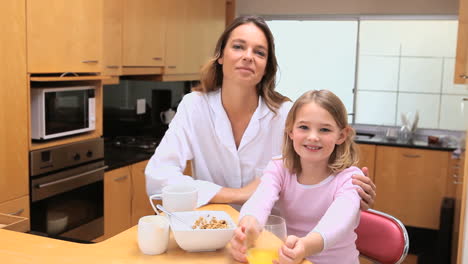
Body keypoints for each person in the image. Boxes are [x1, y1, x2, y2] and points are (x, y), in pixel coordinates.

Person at [144, 15, 376, 209]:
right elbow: (157, 177)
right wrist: (237, 194)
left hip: (271, 237)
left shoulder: (285, 115)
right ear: (221, 57)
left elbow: (317, 177)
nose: (248, 56)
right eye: (238, 46)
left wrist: (349, 192)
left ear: (266, 67)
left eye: (259, 52)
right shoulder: (194, 106)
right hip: (210, 231)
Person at [230, 90, 362, 264]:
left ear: (341, 135)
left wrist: (305, 246)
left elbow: (338, 221)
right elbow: (260, 200)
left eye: (324, 129)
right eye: (303, 127)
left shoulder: (350, 178)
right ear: (290, 131)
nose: (313, 137)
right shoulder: (279, 167)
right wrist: (248, 227)